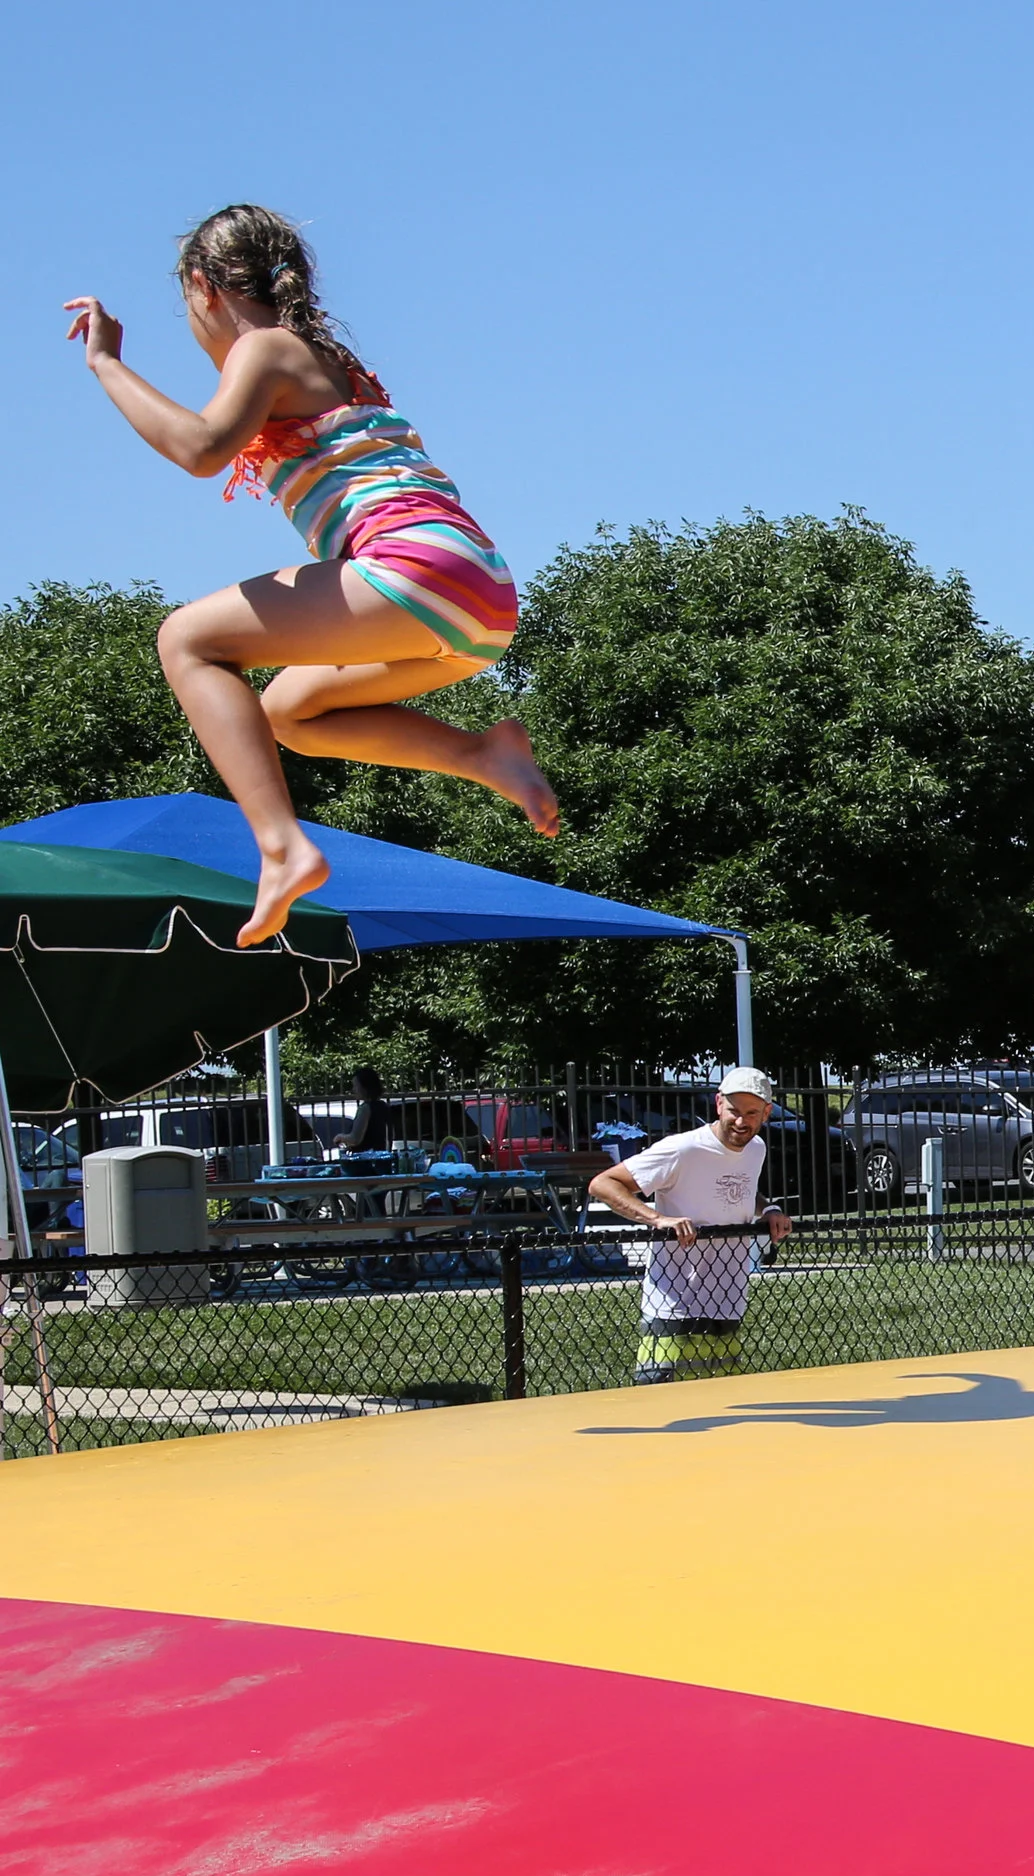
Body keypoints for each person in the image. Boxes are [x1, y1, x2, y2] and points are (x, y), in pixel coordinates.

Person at [64, 204, 556, 950]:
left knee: (188, 642)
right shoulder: (329, 361)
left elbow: (200, 448)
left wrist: (107, 364)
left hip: (411, 566)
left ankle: (280, 846)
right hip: (476, 592)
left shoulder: (263, 348)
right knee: (290, 712)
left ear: (204, 288)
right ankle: (481, 754)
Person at [589, 1070, 793, 1385]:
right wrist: (658, 1219)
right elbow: (603, 1183)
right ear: (718, 1105)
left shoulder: (756, 1150)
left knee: (723, 1396)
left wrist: (768, 1209)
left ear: (767, 1112)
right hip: (673, 1302)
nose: (741, 1122)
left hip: (728, 1298)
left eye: (751, 1114)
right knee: (656, 1392)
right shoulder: (683, 1149)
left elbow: (738, 1188)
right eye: (734, 1111)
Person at [335, 1067, 392, 1155]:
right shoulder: (383, 1106)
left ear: (365, 1087)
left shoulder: (365, 1108)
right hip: (382, 1156)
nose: (353, 1089)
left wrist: (340, 1137)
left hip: (365, 1159)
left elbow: (355, 1139)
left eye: (356, 1086)